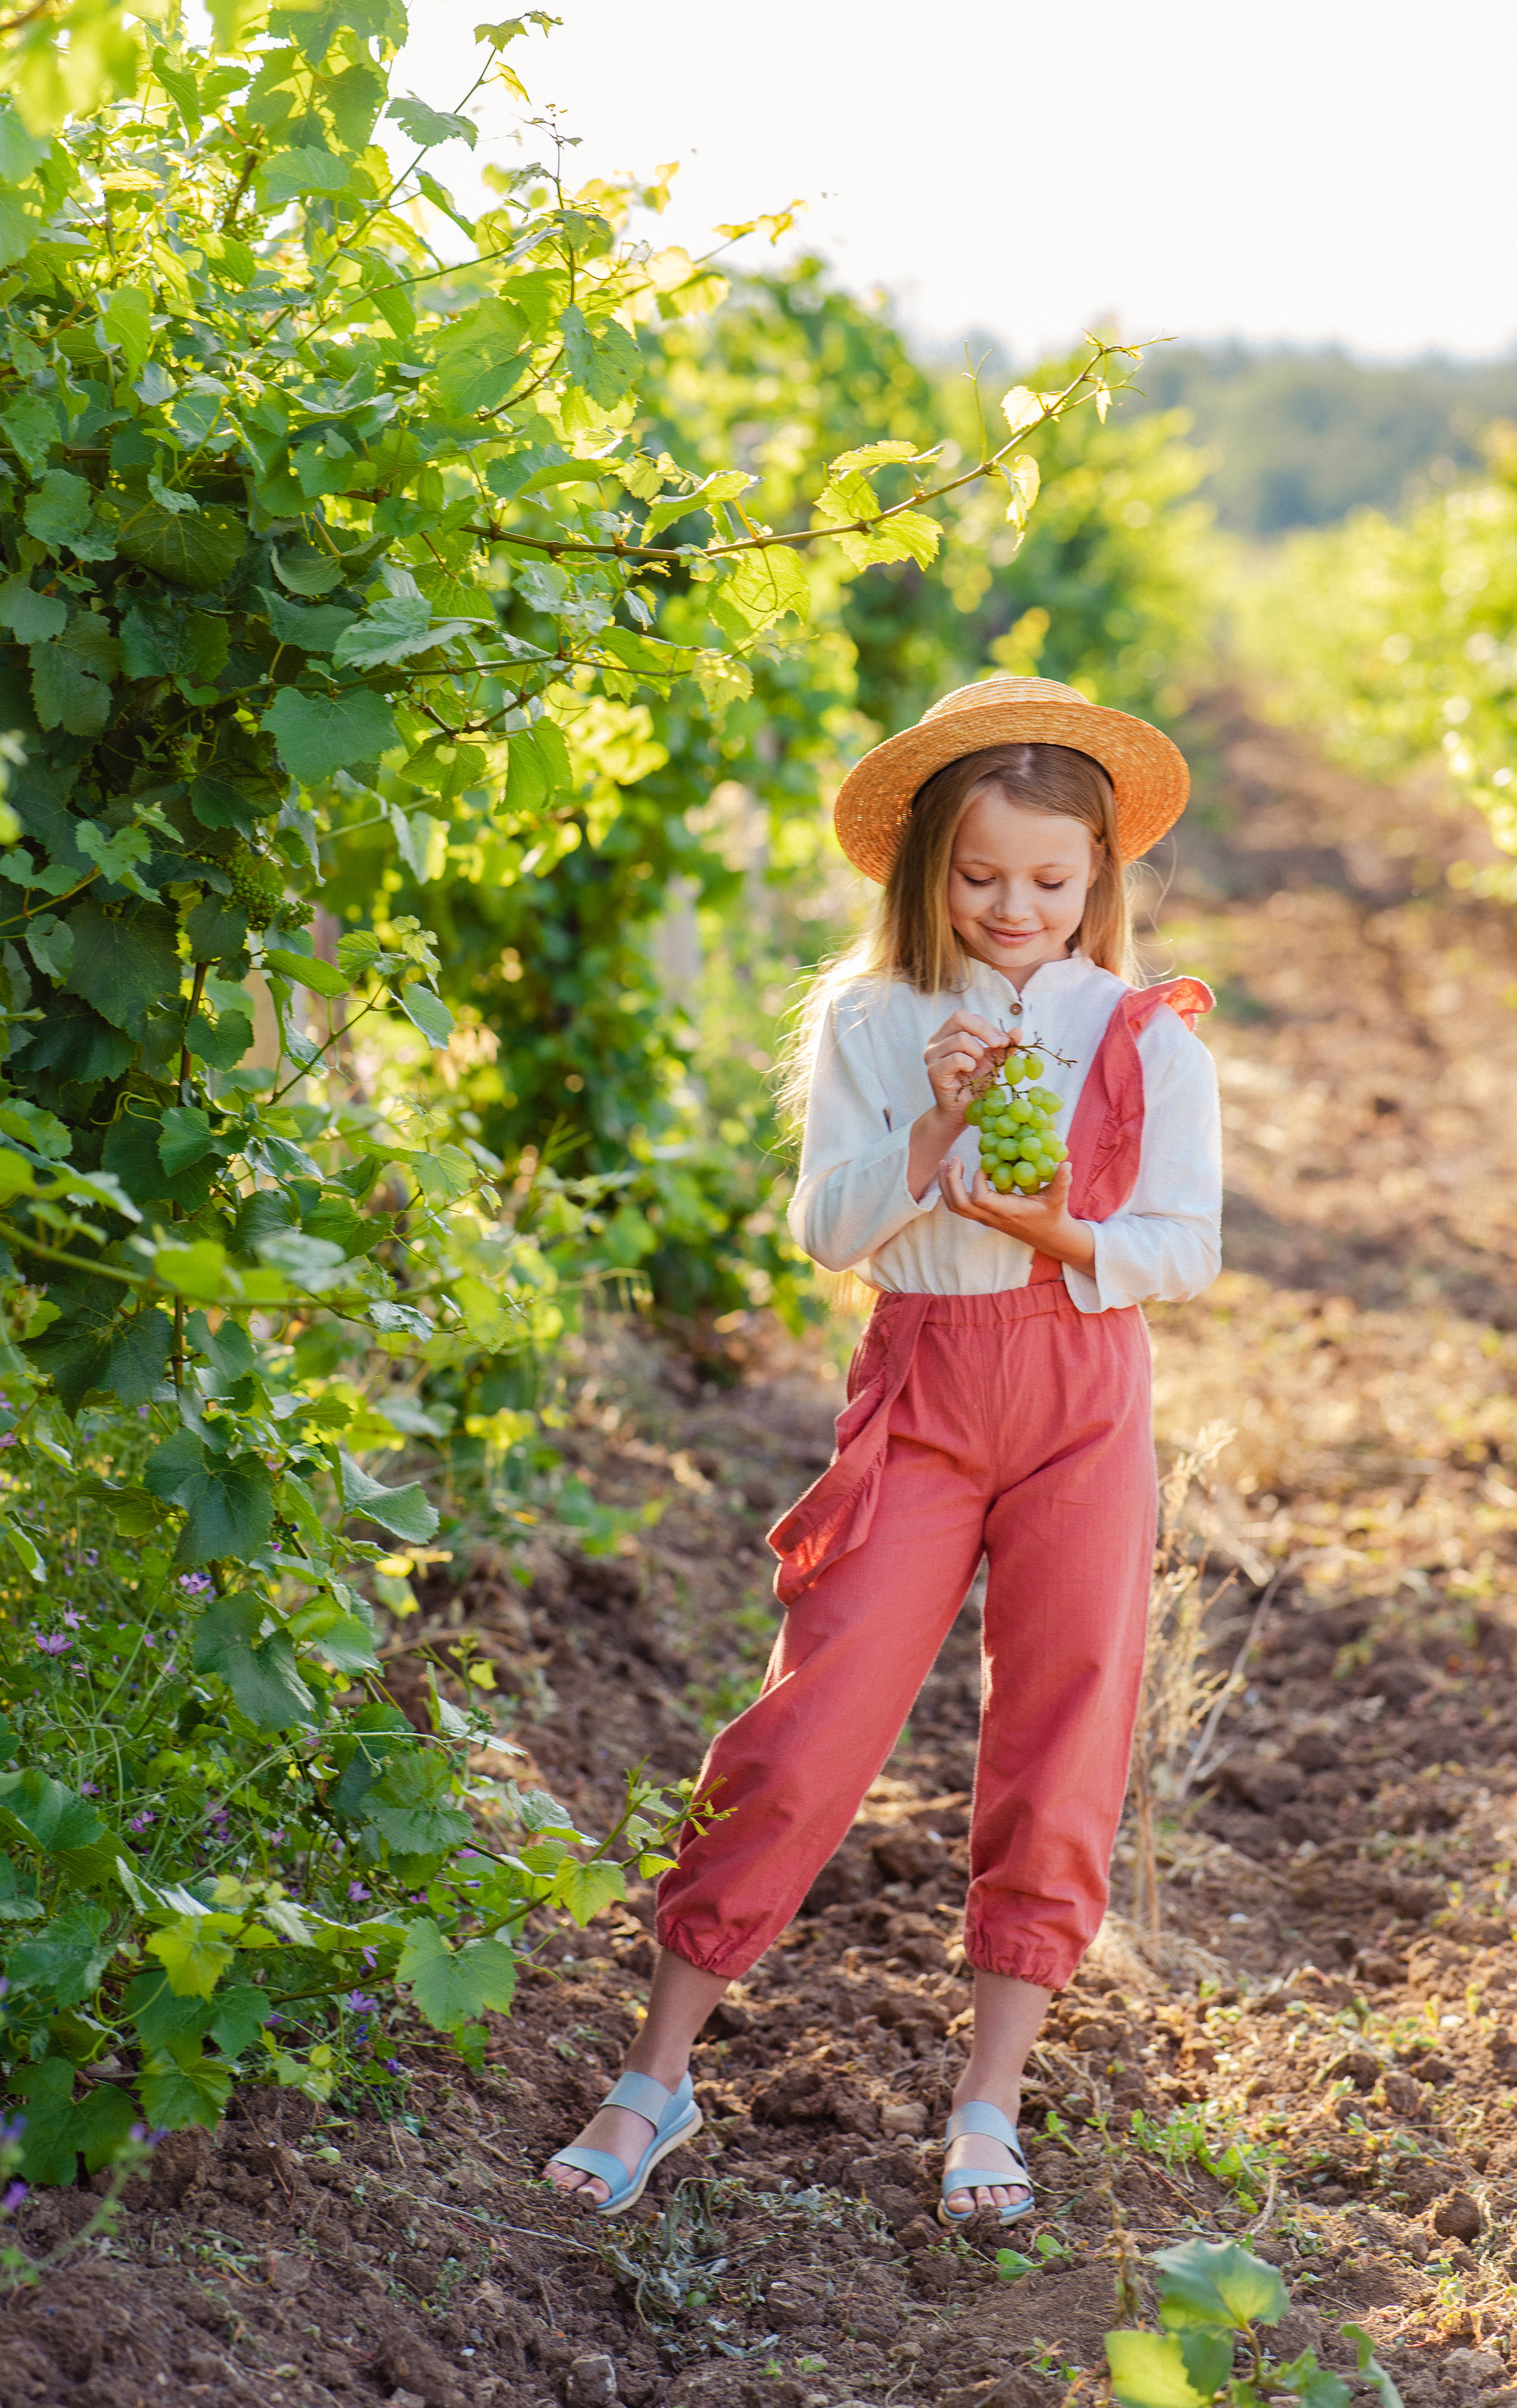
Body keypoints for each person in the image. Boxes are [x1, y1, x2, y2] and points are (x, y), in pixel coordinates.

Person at [545, 674, 1223, 2222]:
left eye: (1050, 881)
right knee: (812, 1719)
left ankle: (989, 2100)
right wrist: (929, 1144)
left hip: (1080, 1389)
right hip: (922, 1381)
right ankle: (657, 2076)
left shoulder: (1142, 1033)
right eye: (980, 876)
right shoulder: (871, 1016)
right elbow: (827, 1227)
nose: (1013, 907)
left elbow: (1180, 1247)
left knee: (1062, 1734)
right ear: (925, 868)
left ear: (1096, 879)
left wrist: (1047, 1227)